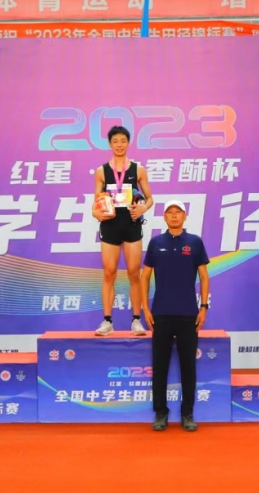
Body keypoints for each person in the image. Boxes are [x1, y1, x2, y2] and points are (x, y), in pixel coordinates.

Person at [141, 200, 209, 432]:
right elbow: (145, 276)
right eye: (169, 212)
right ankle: (160, 413)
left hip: (188, 314)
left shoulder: (195, 242)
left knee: (188, 366)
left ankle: (187, 413)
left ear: (184, 216)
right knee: (159, 366)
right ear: (164, 217)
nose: (173, 216)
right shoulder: (156, 243)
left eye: (177, 212)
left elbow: (204, 276)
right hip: (160, 314)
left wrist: (204, 307)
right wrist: (146, 308)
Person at [92, 125, 153, 336]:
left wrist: (143, 208)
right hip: (110, 226)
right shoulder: (101, 171)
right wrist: (96, 213)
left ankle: (136, 320)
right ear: (110, 144)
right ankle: (107, 321)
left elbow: (150, 198)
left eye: (123, 141)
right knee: (109, 273)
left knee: (134, 273)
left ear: (128, 143)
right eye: (115, 141)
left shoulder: (138, 169)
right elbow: (95, 204)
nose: (119, 145)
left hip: (132, 225)